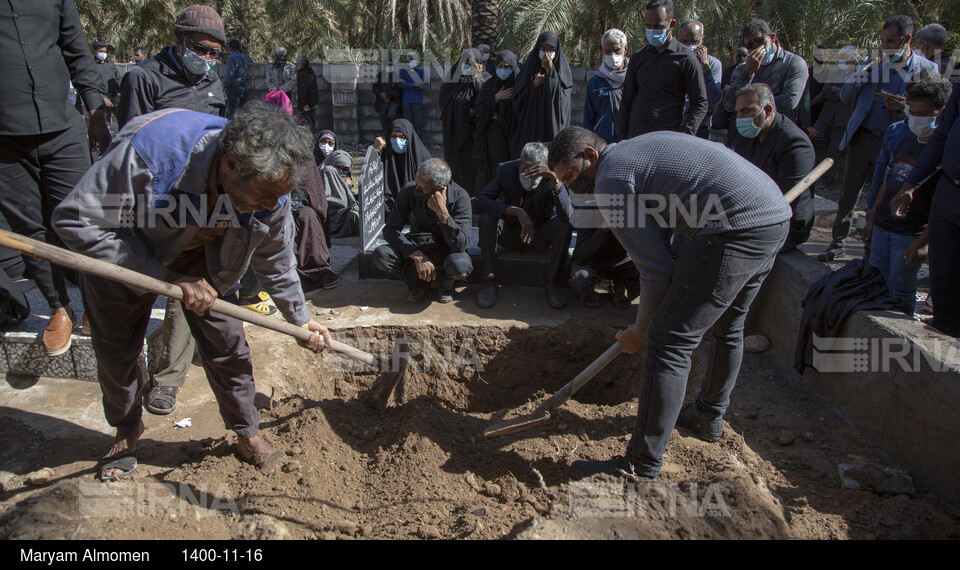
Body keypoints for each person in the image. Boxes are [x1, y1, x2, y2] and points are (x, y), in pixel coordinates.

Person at [53, 104, 331, 480]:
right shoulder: (153, 155)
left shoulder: (272, 191)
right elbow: (75, 220)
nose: (271, 205)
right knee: (117, 354)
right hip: (124, 250)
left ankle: (247, 432)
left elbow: (276, 259)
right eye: (264, 195)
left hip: (204, 254)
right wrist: (163, 275)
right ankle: (127, 428)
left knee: (229, 345)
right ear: (230, 165)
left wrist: (301, 319)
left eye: (277, 197)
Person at [547, 127, 791, 481]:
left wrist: (642, 330)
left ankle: (640, 464)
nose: (570, 187)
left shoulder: (611, 180)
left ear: (590, 154)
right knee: (728, 324)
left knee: (668, 341)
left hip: (734, 228)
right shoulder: (632, 149)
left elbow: (655, 269)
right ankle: (707, 415)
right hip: (771, 214)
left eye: (571, 175)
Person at [0, 0, 112, 356]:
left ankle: (95, 307)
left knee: (84, 219)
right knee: (27, 228)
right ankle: (58, 308)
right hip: (5, 138)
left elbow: (76, 49)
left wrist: (95, 108)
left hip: (62, 128)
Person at [819, 15, 938, 262]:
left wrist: (903, 107)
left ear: (906, 39)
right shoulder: (872, 65)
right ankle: (837, 243)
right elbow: (846, 94)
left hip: (896, 144)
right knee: (848, 195)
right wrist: (865, 69)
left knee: (881, 197)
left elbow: (932, 108)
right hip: (861, 139)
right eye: (882, 41)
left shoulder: (927, 69)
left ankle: (873, 250)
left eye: (890, 41)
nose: (885, 46)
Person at [862, 71, 951, 316]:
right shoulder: (899, 133)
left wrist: (924, 241)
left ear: (941, 112)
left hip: (911, 232)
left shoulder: (948, 149)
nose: (915, 118)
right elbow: (887, 177)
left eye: (923, 115)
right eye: (911, 110)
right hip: (882, 225)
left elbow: (944, 203)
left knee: (900, 290)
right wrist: (872, 217)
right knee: (875, 281)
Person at [889, 78, 960, 337]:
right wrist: (910, 185)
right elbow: (941, 136)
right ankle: (944, 325)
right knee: (944, 267)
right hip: (950, 189)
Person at [474, 142, 573, 309]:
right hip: (511, 234)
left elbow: (567, 214)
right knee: (486, 218)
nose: (530, 175)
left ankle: (552, 283)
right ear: (519, 163)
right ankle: (489, 281)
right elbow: (481, 200)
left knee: (564, 225)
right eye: (526, 168)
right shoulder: (506, 170)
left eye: (536, 171)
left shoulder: (552, 177)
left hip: (539, 236)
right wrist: (515, 211)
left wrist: (555, 180)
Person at [263, 91, 338, 291]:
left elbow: (311, 183)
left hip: (295, 199)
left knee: (308, 217)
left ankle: (319, 269)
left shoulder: (297, 140)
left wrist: (310, 205)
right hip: (263, 200)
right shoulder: (258, 140)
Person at [372, 159, 473, 304]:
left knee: (460, 266)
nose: (416, 189)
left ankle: (446, 285)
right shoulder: (409, 191)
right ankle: (417, 284)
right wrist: (416, 255)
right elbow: (390, 230)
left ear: (440, 189)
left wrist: (443, 213)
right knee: (381, 255)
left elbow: (460, 244)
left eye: (421, 187)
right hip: (419, 246)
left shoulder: (460, 197)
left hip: (446, 251)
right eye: (416, 183)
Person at [732, 83, 816, 251]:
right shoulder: (748, 136)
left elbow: (785, 202)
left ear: (768, 110)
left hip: (784, 223)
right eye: (738, 112)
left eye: (747, 111)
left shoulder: (794, 143)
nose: (740, 118)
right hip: (752, 213)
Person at [118, 4, 226, 127]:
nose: (206, 57)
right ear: (180, 39)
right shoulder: (144, 78)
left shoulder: (212, 80)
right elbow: (133, 137)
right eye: (200, 48)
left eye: (214, 53)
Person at [616, 0, 707, 140]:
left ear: (671, 24)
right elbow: (627, 101)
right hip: (635, 138)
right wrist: (621, 138)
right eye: (648, 26)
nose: (652, 30)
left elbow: (700, 103)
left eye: (658, 26)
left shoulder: (686, 59)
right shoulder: (638, 58)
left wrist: (684, 137)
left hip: (666, 140)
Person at [721, 19, 808, 123]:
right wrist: (747, 74)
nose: (757, 48)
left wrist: (750, 105)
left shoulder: (792, 63)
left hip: (777, 129)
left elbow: (790, 101)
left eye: (761, 41)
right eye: (750, 45)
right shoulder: (742, 69)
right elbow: (729, 104)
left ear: (772, 38)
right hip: (747, 130)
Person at [510, 31, 573, 156]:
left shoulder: (562, 73)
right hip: (528, 130)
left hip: (550, 129)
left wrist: (551, 72)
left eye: (551, 49)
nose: (546, 53)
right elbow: (517, 100)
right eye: (543, 48)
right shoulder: (528, 70)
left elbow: (562, 101)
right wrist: (533, 85)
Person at [440, 48, 486, 196]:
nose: (467, 66)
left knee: (472, 169)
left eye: (471, 63)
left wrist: (476, 78)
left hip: (475, 135)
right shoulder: (452, 80)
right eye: (465, 63)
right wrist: (465, 111)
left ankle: (473, 198)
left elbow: (487, 102)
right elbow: (443, 103)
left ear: (479, 64)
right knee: (455, 167)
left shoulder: (486, 79)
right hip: (455, 133)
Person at [475, 50, 520, 189]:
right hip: (494, 136)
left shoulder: (518, 84)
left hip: (513, 135)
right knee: (494, 169)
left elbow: (521, 110)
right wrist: (496, 98)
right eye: (500, 66)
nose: (503, 69)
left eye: (507, 66)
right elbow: (478, 109)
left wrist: (498, 115)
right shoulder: (489, 85)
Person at [807, 45, 859, 162]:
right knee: (812, 137)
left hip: (843, 119)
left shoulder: (859, 75)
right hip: (826, 115)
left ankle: (826, 177)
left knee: (833, 151)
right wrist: (842, 96)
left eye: (843, 59)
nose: (840, 61)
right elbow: (825, 92)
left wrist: (837, 91)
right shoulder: (835, 72)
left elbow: (852, 96)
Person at [676, 19, 723, 139]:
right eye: (684, 42)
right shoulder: (672, 61)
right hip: (674, 124)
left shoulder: (713, 64)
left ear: (702, 39)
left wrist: (706, 72)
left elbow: (712, 100)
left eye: (694, 42)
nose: (689, 46)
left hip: (700, 128)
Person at [583, 28, 629, 144]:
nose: (613, 55)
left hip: (629, 141)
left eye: (617, 50)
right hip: (603, 142)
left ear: (625, 49)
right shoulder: (595, 82)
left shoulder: (634, 78)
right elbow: (589, 118)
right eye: (608, 51)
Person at [378, 118, 432, 215]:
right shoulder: (385, 156)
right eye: (393, 136)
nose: (397, 140)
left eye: (402, 137)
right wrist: (376, 150)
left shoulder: (424, 159)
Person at [320, 150, 360, 239]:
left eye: (345, 169)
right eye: (338, 168)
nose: (341, 172)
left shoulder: (344, 180)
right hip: (329, 218)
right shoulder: (327, 171)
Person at [92, 41, 122, 125]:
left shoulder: (110, 64)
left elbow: (119, 79)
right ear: (95, 51)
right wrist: (103, 98)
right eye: (101, 51)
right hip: (101, 99)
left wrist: (118, 95)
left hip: (115, 97)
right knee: (104, 123)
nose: (103, 54)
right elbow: (92, 84)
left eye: (104, 52)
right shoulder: (91, 65)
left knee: (122, 119)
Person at [399, 51, 426, 138]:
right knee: (407, 123)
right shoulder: (403, 71)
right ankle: (409, 142)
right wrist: (413, 84)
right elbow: (400, 85)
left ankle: (419, 144)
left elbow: (422, 85)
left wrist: (407, 83)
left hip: (417, 100)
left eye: (414, 59)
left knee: (418, 123)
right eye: (411, 59)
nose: (412, 60)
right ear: (407, 60)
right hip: (406, 101)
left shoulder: (421, 72)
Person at [225, 40, 252, 117]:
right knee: (243, 111)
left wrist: (225, 84)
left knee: (234, 111)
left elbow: (230, 73)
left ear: (230, 48)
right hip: (243, 86)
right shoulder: (243, 56)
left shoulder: (231, 57)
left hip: (234, 86)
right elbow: (251, 60)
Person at [373, 58, 402, 132]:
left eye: (391, 65)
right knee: (383, 119)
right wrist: (382, 95)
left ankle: (394, 133)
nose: (390, 66)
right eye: (389, 65)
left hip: (393, 101)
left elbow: (398, 91)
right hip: (382, 102)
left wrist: (387, 95)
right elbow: (375, 88)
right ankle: (387, 138)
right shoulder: (379, 75)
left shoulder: (396, 76)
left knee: (391, 115)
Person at [296, 55, 320, 137]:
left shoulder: (301, 74)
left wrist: (304, 103)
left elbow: (302, 89)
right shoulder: (311, 71)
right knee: (312, 121)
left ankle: (312, 140)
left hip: (306, 103)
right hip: (313, 102)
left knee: (307, 122)